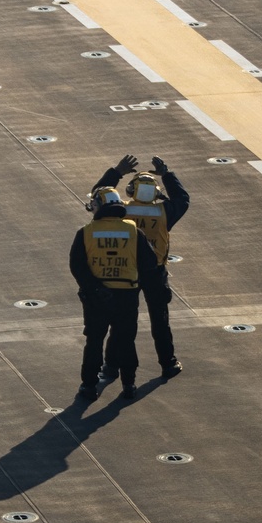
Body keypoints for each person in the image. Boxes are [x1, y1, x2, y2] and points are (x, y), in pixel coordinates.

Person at [91, 154, 188, 380]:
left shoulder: (121, 210)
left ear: (131, 191)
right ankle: (168, 363)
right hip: (155, 272)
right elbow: (182, 199)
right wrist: (167, 175)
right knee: (160, 320)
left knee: (122, 321)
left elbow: (98, 196)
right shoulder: (164, 212)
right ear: (155, 192)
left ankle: (111, 366)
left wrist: (116, 172)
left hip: (127, 271)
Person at [70, 186, 159, 400]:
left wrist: (94, 288)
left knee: (94, 342)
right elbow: (150, 263)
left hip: (96, 298)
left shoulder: (86, 232)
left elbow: (77, 266)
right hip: (126, 295)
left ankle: (89, 386)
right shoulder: (133, 231)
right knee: (126, 340)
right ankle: (129, 385)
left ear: (99, 206)